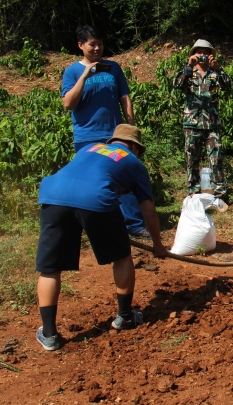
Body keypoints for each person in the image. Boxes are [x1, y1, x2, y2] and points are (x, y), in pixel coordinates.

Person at [34, 124, 167, 351]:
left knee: (50, 268)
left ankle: (49, 334)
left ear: (113, 141)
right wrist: (158, 245)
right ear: (134, 146)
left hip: (53, 195)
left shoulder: (88, 148)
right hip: (96, 198)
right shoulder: (134, 163)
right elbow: (148, 210)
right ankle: (125, 317)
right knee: (122, 256)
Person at [61, 24, 150, 238]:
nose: (97, 48)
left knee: (123, 177)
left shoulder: (113, 68)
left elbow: (124, 97)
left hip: (115, 136)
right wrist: (84, 76)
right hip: (86, 135)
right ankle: (92, 223)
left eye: (100, 44)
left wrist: (130, 126)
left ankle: (134, 224)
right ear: (80, 45)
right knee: (89, 180)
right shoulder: (72, 71)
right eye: (92, 44)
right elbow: (68, 103)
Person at [173, 39, 232, 199]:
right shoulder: (188, 72)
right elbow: (177, 85)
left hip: (211, 124)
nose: (203, 55)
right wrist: (188, 66)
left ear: (211, 55)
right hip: (192, 123)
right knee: (191, 159)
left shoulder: (215, 73)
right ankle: (193, 193)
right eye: (199, 52)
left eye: (206, 52)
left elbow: (228, 86)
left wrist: (218, 68)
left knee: (216, 159)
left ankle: (220, 194)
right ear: (193, 54)